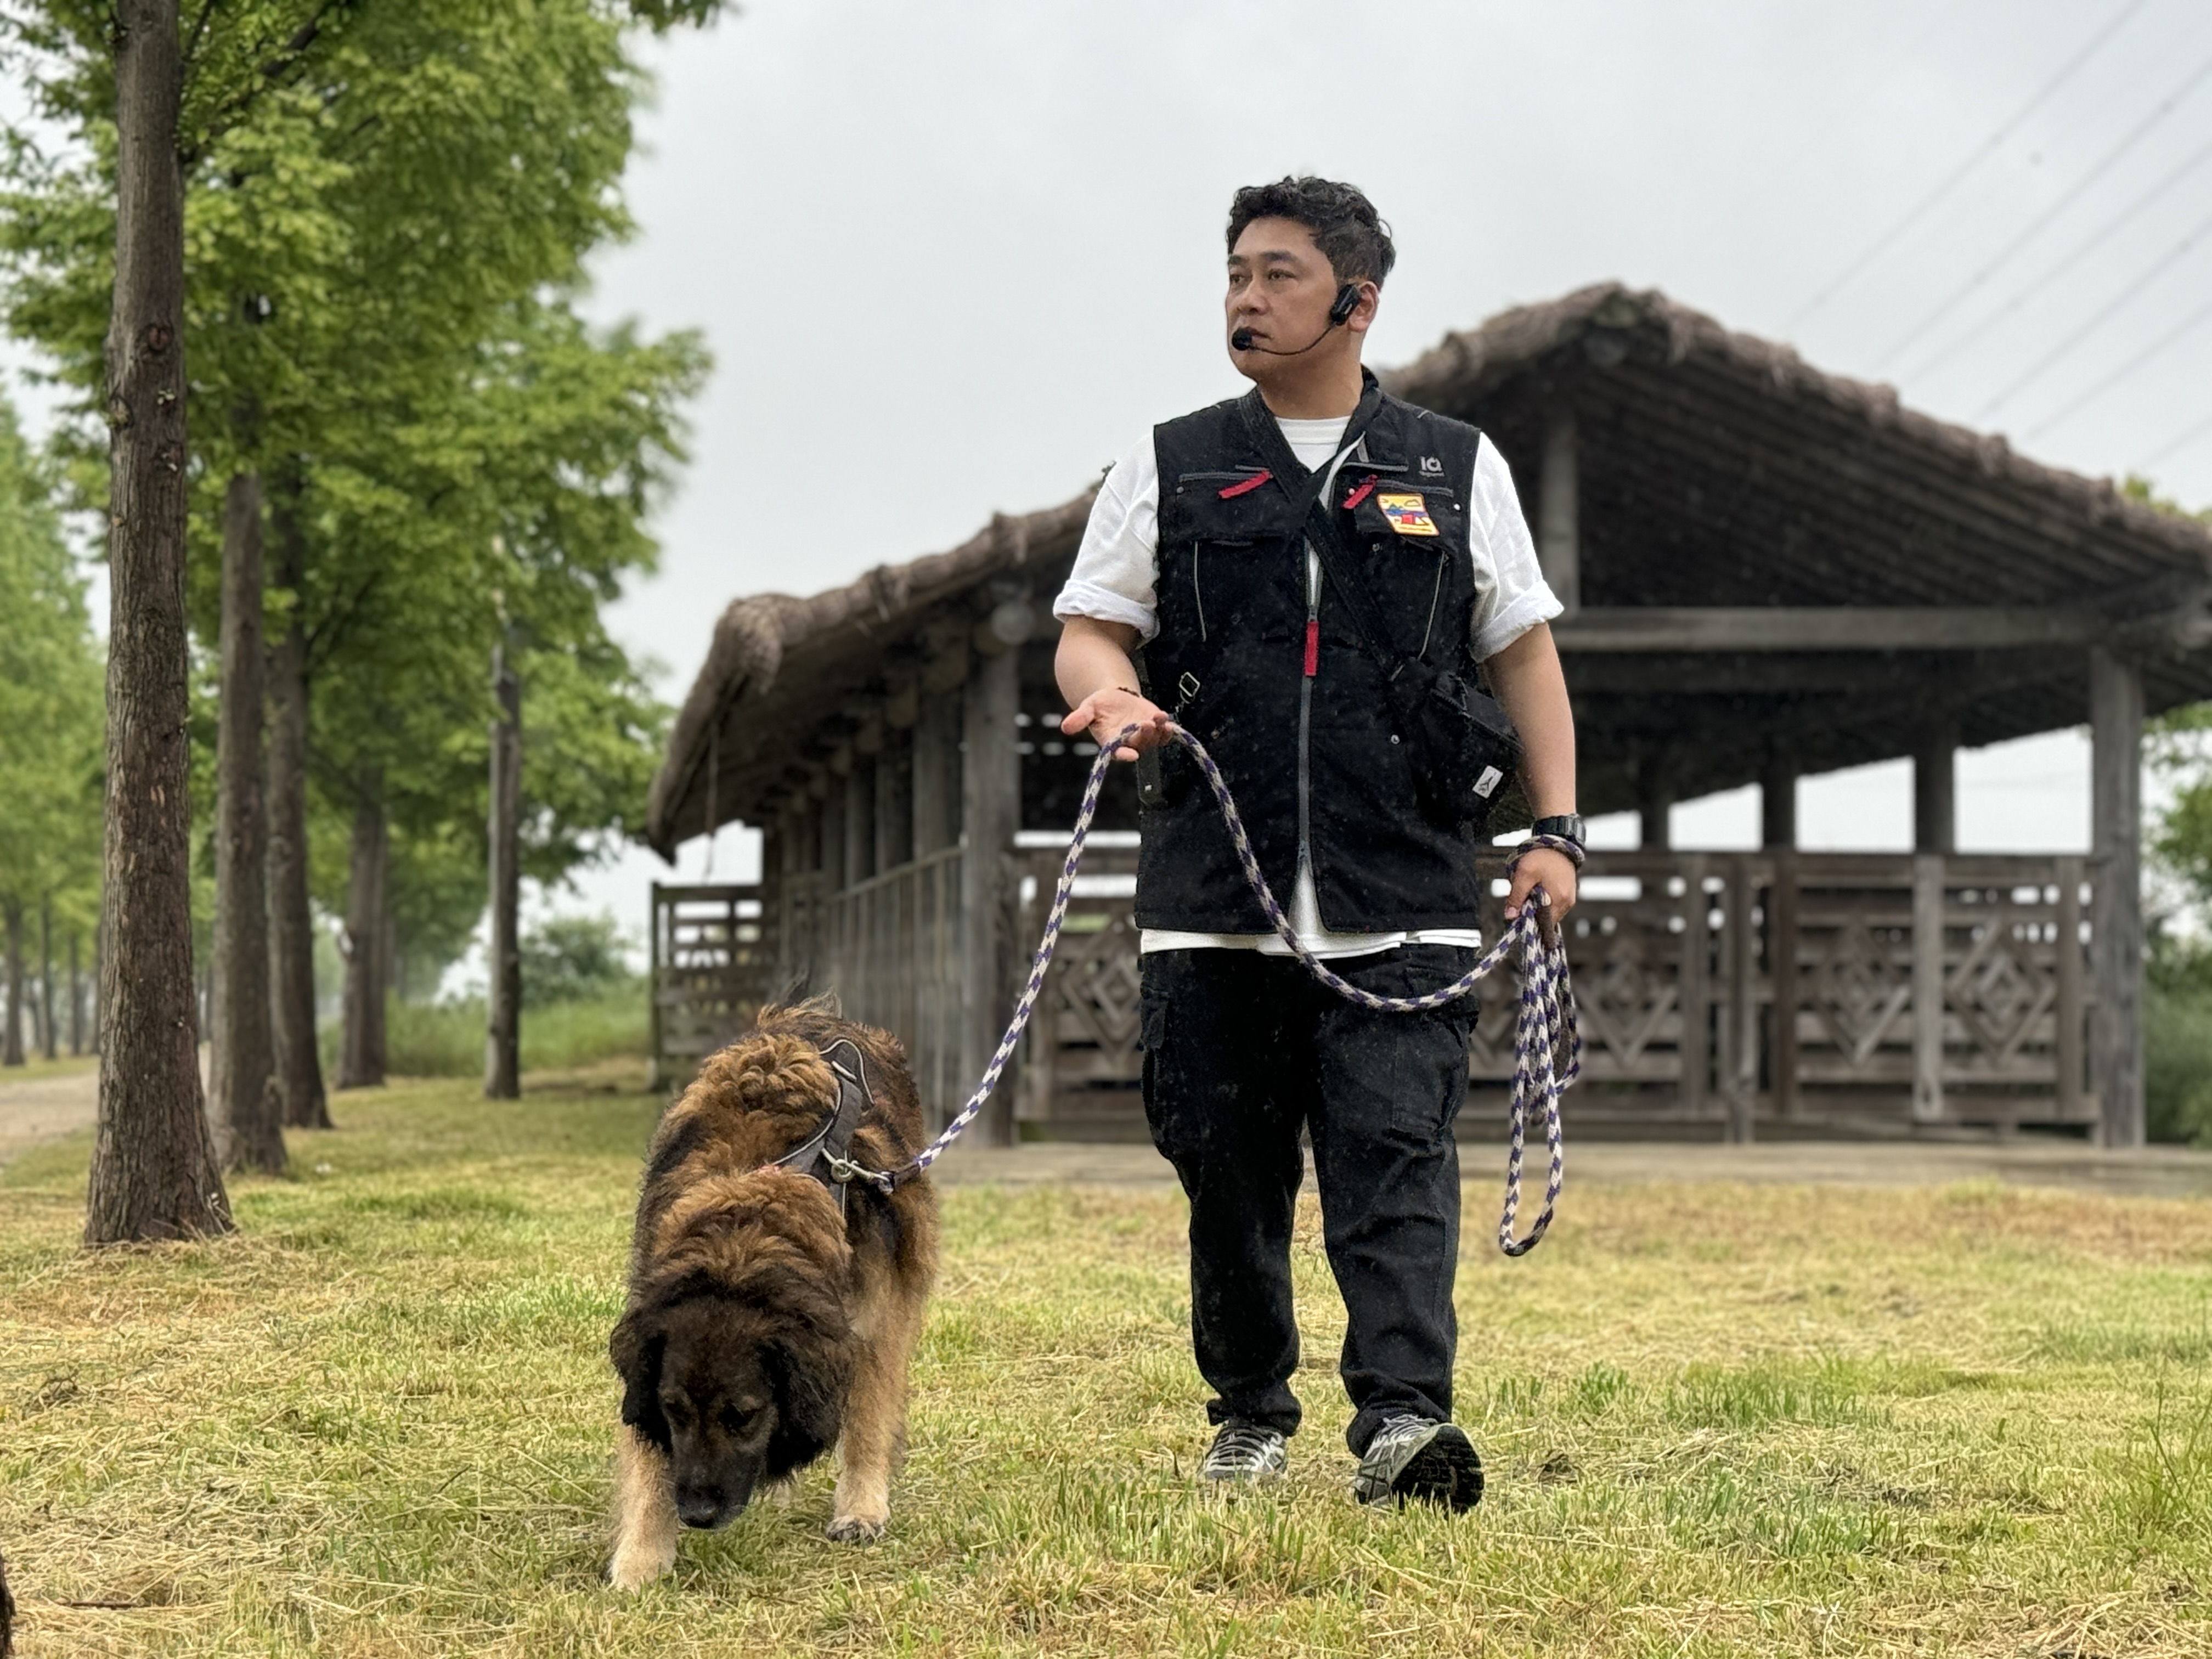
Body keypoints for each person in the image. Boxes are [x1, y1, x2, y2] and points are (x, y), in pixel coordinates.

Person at [1051, 176, 1581, 1511]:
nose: (1245, 294)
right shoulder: (1168, 461)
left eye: (1279, 273)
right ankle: (1248, 1411)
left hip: (1404, 889)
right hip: (1210, 899)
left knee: (1392, 1162)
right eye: (1236, 271)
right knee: (1227, 1176)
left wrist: (1555, 830)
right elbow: (1094, 621)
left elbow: (1522, 648)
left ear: (1357, 301)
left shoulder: (1454, 468)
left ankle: (1404, 1422)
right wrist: (1107, 686)